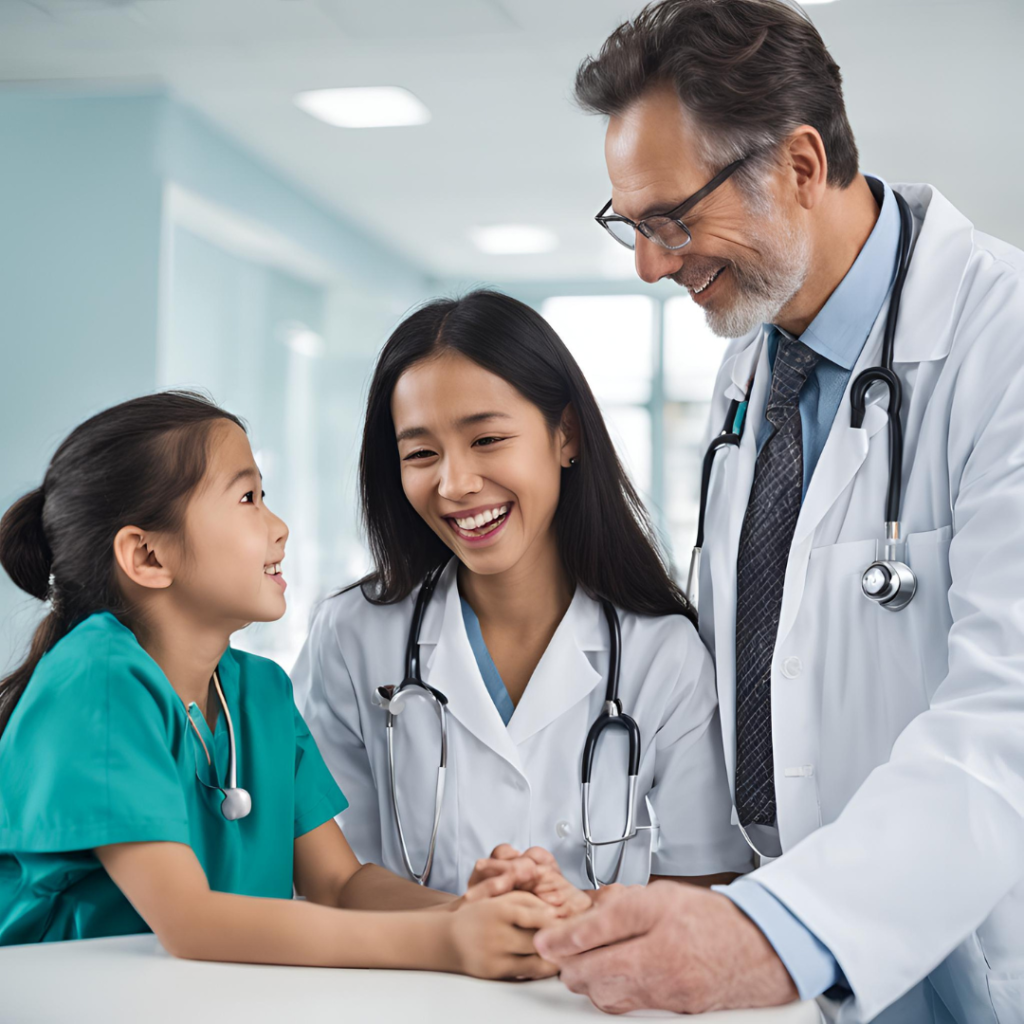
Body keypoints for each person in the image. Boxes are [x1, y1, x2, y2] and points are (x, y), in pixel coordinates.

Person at [533, 2, 1024, 1022]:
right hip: (788, 949)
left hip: (968, 950)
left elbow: (1006, 720)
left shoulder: (1002, 341)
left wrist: (778, 929)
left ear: (801, 164)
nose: (650, 263)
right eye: (630, 223)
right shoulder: (749, 368)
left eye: (672, 218)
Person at [0, 390, 560, 979]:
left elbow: (340, 884)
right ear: (147, 555)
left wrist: (482, 915)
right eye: (247, 498)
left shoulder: (258, 692)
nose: (280, 527)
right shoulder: (100, 681)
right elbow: (190, 923)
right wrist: (446, 941)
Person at [292, 289, 750, 898]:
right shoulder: (352, 633)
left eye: (486, 441)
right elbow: (329, 873)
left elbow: (705, 876)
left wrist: (575, 915)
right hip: (406, 988)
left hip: (592, 991)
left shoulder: (664, 654)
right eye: (421, 453)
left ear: (566, 435)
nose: (455, 484)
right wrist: (463, 929)